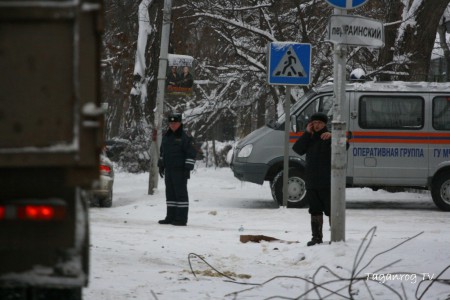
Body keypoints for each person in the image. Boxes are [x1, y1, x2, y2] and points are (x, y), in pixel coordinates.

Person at [292, 112, 331, 246]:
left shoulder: (329, 136)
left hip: (327, 182)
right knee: (314, 210)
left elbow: (345, 145)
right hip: (312, 181)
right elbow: (297, 149)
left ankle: (336, 237)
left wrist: (334, 136)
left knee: (331, 210)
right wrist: (307, 133)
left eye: (319, 123)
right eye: (314, 123)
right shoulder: (310, 137)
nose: (316, 125)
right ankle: (316, 237)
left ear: (325, 124)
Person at [158, 113, 197, 226]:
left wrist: (187, 169)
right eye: (171, 123)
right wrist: (161, 164)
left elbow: (191, 154)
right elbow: (162, 152)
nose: (173, 125)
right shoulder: (167, 136)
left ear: (180, 123)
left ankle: (181, 219)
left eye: (175, 123)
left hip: (180, 171)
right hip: (169, 170)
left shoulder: (185, 137)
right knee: (170, 194)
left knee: (180, 194)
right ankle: (170, 217)